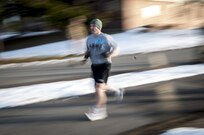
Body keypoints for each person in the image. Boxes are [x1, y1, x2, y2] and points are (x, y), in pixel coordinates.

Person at [83, 18, 124, 121]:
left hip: (104, 65)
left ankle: (96, 110)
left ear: (99, 27)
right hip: (94, 65)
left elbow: (117, 48)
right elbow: (89, 50)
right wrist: (86, 57)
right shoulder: (89, 39)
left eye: (94, 26)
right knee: (99, 90)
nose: (92, 28)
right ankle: (104, 109)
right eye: (91, 26)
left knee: (99, 87)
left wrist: (110, 54)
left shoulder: (106, 37)